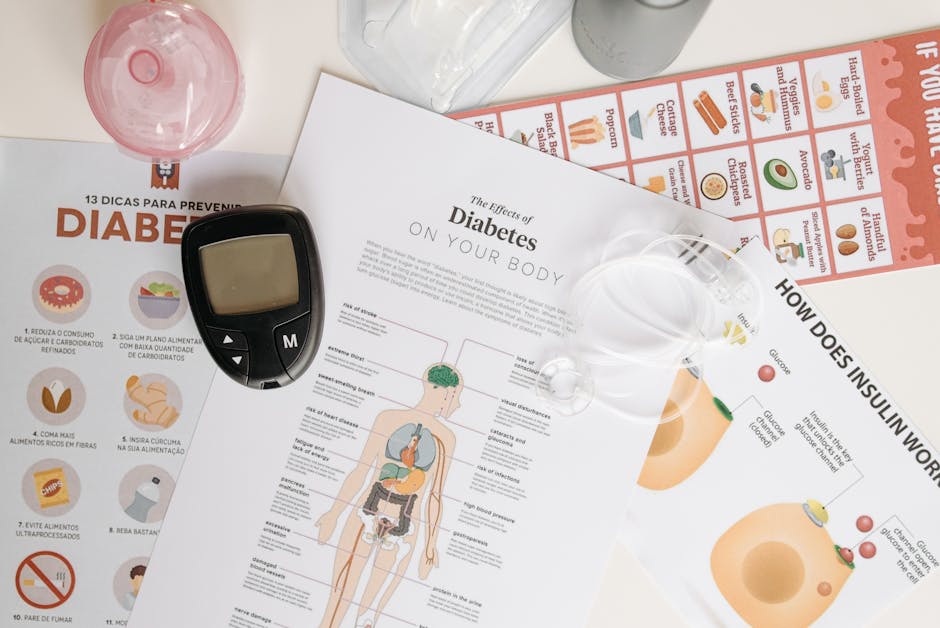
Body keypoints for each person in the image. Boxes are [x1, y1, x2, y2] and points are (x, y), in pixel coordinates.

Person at [315, 364, 461, 628]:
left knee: (370, 610)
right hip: (367, 509)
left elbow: (435, 496)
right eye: (454, 395)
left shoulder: (445, 439)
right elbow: (361, 470)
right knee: (339, 592)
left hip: (406, 522)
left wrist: (430, 545)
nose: (457, 403)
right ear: (437, 389)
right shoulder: (388, 419)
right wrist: (333, 514)